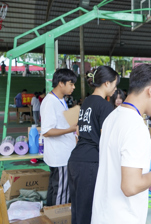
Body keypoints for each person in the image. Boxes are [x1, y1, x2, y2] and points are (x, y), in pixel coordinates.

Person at [91, 64, 151, 223]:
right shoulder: (136, 126)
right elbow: (131, 187)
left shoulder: (113, 116)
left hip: (104, 214)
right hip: (122, 217)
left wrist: (146, 151)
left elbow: (116, 156)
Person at [68, 66, 119, 224]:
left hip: (76, 159)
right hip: (90, 162)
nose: (115, 89)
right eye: (115, 85)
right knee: (88, 211)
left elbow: (78, 129)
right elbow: (107, 138)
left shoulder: (87, 101)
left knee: (78, 208)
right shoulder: (105, 106)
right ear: (106, 83)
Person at [40, 69, 77, 206]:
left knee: (54, 189)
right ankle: (58, 218)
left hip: (63, 153)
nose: (73, 87)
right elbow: (47, 131)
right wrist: (71, 129)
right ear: (61, 83)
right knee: (61, 192)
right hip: (60, 156)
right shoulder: (50, 102)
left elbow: (60, 124)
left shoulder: (60, 100)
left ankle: (50, 217)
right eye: (71, 84)